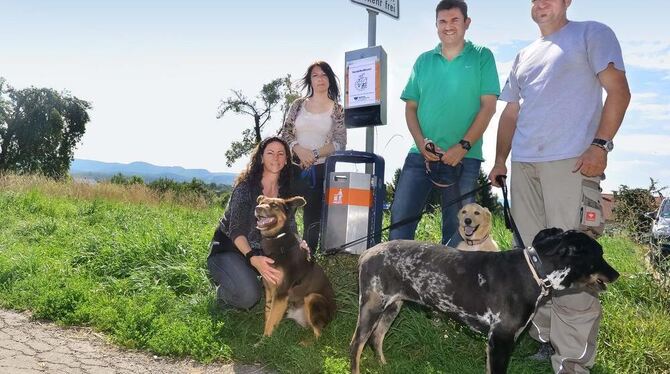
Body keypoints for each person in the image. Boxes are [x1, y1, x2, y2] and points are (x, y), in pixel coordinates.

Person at [488, 0, 631, 372]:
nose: (540, 3)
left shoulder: (592, 33)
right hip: (524, 165)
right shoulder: (523, 55)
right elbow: (512, 112)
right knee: (535, 261)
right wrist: (501, 160)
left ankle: (571, 361)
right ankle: (544, 338)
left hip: (572, 164)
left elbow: (618, 90)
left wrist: (600, 145)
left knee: (574, 263)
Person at [389, 0, 499, 245]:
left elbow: (489, 107)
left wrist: (462, 146)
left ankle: (448, 283)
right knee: (400, 221)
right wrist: (422, 143)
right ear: (436, 25)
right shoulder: (423, 61)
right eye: (442, 21)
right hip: (420, 156)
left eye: (454, 20)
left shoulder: (482, 57)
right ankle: (393, 280)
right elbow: (411, 107)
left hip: (465, 158)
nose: (448, 26)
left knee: (457, 228)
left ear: (466, 23)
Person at [207, 136, 293, 310]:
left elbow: (289, 227)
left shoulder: (285, 192)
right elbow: (236, 231)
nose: (275, 157)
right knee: (249, 297)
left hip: (261, 253)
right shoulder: (245, 187)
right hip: (229, 250)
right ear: (261, 157)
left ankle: (250, 277)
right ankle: (221, 292)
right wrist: (253, 259)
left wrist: (300, 243)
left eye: (280, 154)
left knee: (290, 283)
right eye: (270, 153)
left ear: (286, 160)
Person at [280, 61, 346, 252]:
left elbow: (340, 142)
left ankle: (308, 257)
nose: (320, 79)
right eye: (315, 75)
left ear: (330, 79)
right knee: (284, 213)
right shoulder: (298, 104)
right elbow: (286, 133)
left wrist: (314, 154)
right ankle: (283, 253)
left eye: (324, 75)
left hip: (320, 171)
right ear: (310, 80)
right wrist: (299, 150)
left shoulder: (338, 110)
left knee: (312, 219)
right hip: (293, 167)